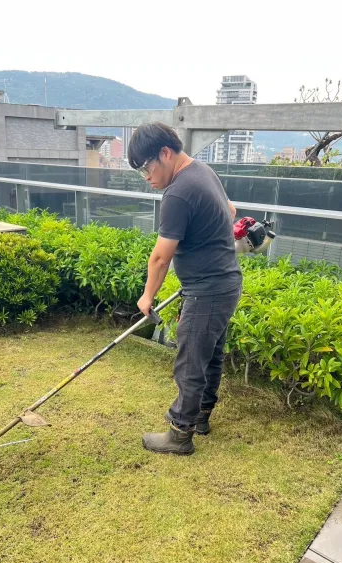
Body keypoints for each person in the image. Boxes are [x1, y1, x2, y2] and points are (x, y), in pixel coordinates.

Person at [128, 123, 242, 456]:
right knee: (210, 355)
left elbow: (161, 257)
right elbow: (230, 212)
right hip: (225, 283)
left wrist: (147, 297)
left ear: (165, 153)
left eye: (147, 169)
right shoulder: (204, 172)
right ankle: (202, 416)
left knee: (191, 360)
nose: (147, 177)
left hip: (208, 290)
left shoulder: (178, 191)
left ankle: (180, 434)